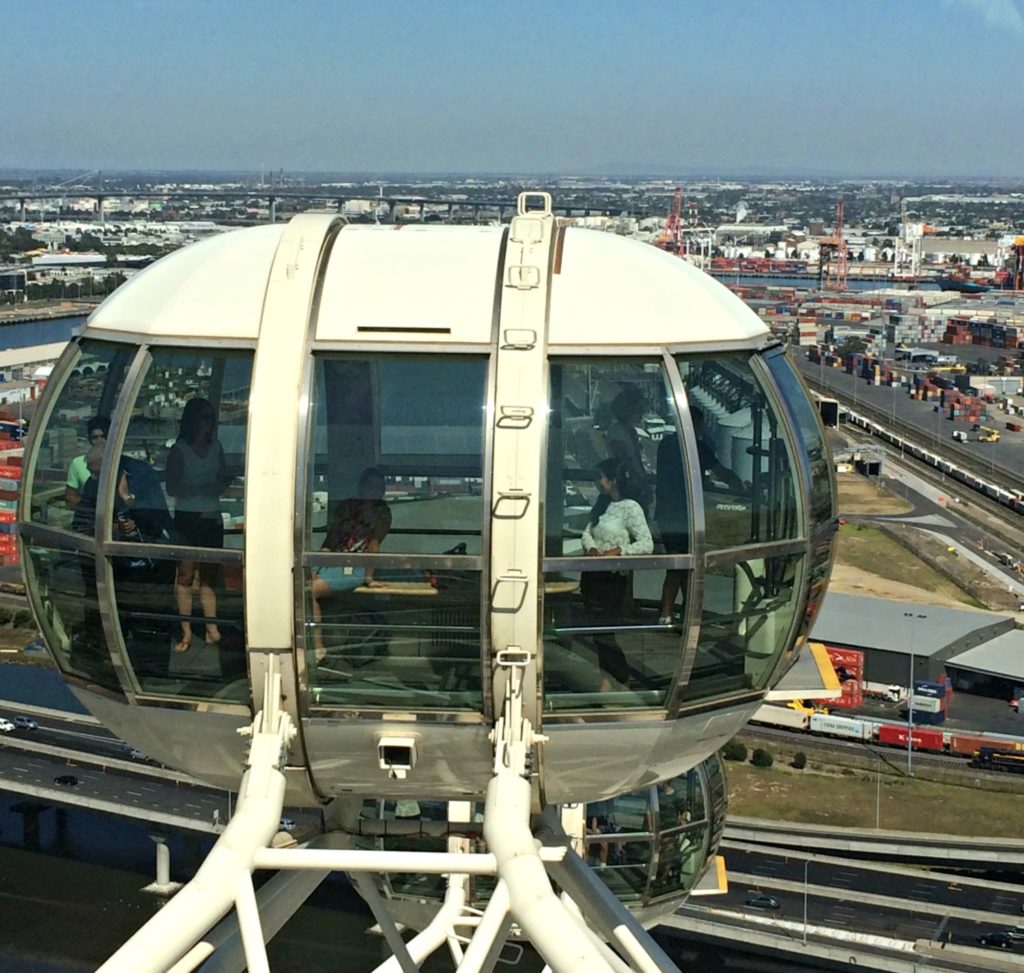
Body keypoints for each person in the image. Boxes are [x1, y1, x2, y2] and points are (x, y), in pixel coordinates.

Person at [166, 398, 231, 653]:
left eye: (210, 418)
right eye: (204, 418)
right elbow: (173, 487)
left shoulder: (217, 448)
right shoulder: (179, 450)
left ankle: (212, 629)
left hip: (211, 515)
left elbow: (222, 478)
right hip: (188, 517)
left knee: (209, 577)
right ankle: (187, 631)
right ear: (192, 420)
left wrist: (218, 486)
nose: (208, 423)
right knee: (185, 575)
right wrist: (200, 488)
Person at [580, 459, 652, 687]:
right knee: (596, 631)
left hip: (612, 579)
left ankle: (618, 678)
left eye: (599, 477)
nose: (596, 482)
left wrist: (619, 552)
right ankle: (607, 679)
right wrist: (592, 548)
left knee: (605, 631)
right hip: (592, 575)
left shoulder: (630, 508)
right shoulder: (602, 503)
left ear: (612, 480)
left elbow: (646, 543)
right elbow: (587, 532)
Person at [311, 467, 392, 659]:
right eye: (369, 486)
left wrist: (368, 577)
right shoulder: (347, 507)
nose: (374, 491)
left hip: (355, 567)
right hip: (331, 560)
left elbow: (373, 544)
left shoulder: (382, 512)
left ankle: (317, 645)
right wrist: (318, 562)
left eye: (378, 487)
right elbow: (332, 537)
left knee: (309, 591)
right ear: (361, 487)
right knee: (298, 583)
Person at [655, 433, 689, 626]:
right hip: (683, 518)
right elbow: (720, 470)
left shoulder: (666, 444)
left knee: (681, 565)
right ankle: (669, 611)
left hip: (665, 515)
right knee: (680, 565)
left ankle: (676, 609)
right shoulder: (694, 446)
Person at [604, 387, 653, 512]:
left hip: (636, 491)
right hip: (626, 493)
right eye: (639, 409)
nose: (642, 413)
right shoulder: (617, 434)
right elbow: (622, 464)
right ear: (629, 409)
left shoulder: (630, 431)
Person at [66, 415, 110, 509]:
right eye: (95, 437)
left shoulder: (121, 462)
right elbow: (70, 497)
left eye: (103, 436)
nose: (99, 441)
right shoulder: (78, 463)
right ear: (89, 440)